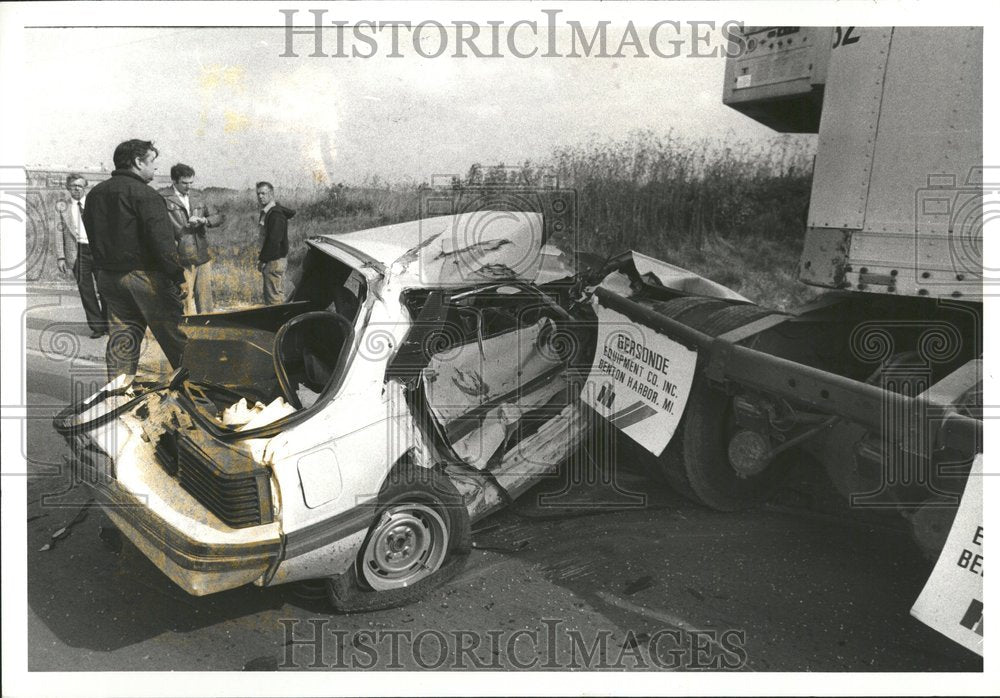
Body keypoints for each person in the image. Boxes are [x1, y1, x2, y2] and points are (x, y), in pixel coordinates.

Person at [82, 139, 188, 379]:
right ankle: (203, 397)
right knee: (178, 338)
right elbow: (162, 243)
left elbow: (92, 234)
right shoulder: (146, 195)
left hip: (108, 278)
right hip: (145, 278)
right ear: (138, 162)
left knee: (122, 342)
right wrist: (178, 276)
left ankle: (118, 399)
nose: (155, 168)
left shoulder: (95, 194)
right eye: (152, 162)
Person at [159, 163, 224, 315]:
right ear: (174, 181)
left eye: (191, 183)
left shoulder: (198, 196)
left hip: (202, 256)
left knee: (206, 302)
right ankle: (187, 335)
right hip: (181, 257)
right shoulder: (162, 198)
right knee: (184, 300)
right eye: (184, 183)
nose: (188, 187)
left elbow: (219, 216)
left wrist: (205, 221)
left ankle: (208, 332)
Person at [55, 174, 107, 338]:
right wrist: (61, 257)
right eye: (73, 186)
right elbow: (58, 233)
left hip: (98, 252)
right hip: (77, 252)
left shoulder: (95, 204)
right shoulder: (62, 207)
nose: (76, 189)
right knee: (86, 291)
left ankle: (109, 324)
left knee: (105, 288)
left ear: (85, 187)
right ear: (67, 188)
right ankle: (97, 327)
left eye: (79, 186)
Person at [256, 181, 295, 305]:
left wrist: (263, 260)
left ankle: (278, 324)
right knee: (275, 296)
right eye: (258, 194)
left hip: (273, 261)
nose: (260, 196)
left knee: (274, 300)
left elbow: (274, 241)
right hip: (274, 260)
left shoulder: (275, 214)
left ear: (271, 194)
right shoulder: (268, 212)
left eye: (263, 193)